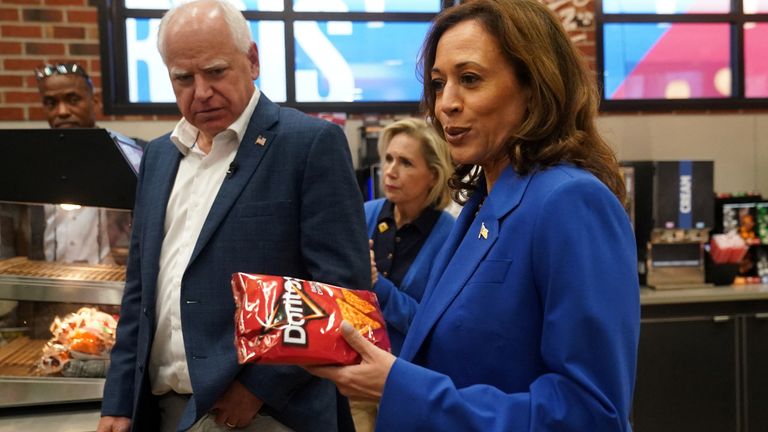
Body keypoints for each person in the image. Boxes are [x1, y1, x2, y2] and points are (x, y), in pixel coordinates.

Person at [307, 1, 641, 431]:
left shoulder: (569, 201)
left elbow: (592, 414)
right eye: (438, 83)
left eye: (469, 79)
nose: (445, 104)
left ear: (533, 87)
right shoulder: (483, 202)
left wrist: (399, 386)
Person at [96, 1, 369, 431]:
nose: (200, 91)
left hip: (267, 413)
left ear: (253, 61)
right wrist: (118, 401)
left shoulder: (310, 145)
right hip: (162, 407)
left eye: (216, 71)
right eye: (183, 78)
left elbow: (340, 291)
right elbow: (139, 292)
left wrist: (259, 388)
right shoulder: (159, 157)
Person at [353, 118, 455, 431]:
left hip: (409, 381)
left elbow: (430, 326)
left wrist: (376, 286)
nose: (391, 171)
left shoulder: (448, 235)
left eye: (406, 162)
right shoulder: (365, 213)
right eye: (388, 158)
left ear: (433, 176)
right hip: (354, 373)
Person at [34, 62, 141, 265]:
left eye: (73, 99)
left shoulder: (129, 153)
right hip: (47, 284)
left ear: (94, 101)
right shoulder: (32, 163)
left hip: (110, 284)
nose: (62, 111)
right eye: (50, 103)